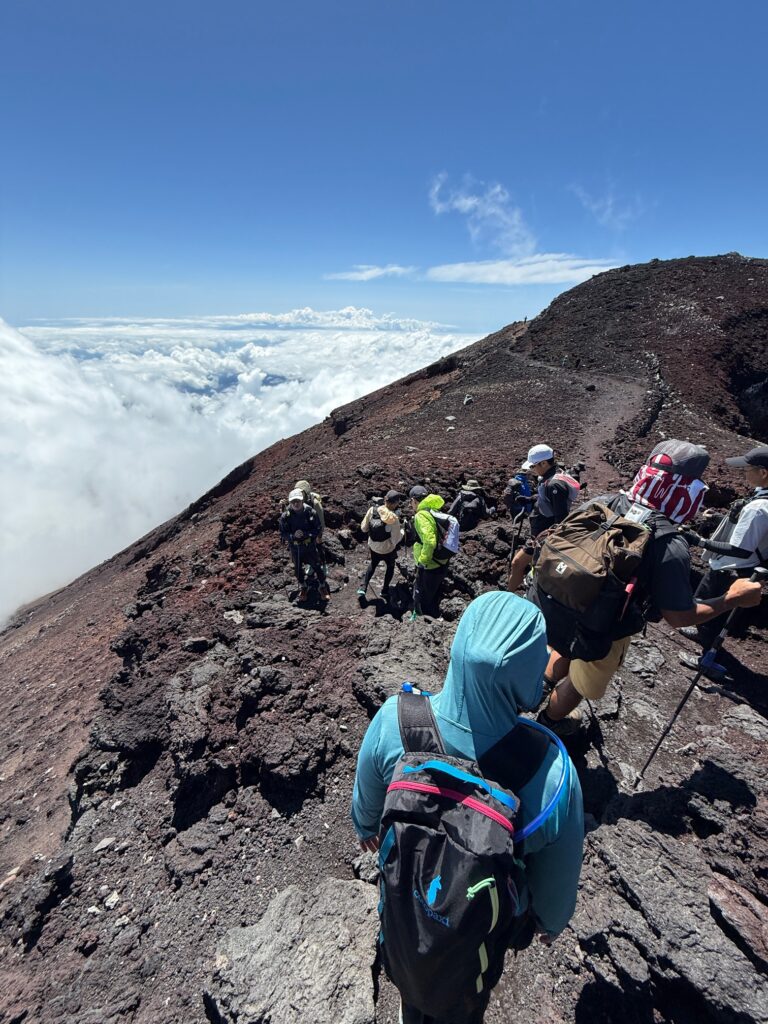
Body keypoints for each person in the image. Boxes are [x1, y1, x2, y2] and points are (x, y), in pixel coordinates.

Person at [351, 592, 584, 1024]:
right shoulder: (551, 775)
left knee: (414, 982)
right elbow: (552, 910)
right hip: (474, 939)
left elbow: (364, 818)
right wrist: (543, 924)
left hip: (404, 920)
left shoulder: (393, 720)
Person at [535, 440, 764, 736]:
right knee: (581, 683)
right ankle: (549, 723)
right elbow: (680, 617)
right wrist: (732, 598)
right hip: (603, 626)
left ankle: (540, 685)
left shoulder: (603, 502)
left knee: (564, 647)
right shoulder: (669, 544)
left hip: (559, 604)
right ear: (688, 489)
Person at [679, 445, 768, 651]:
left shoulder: (758, 508)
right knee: (705, 602)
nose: (744, 473)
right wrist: (721, 519)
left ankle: (707, 659)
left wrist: (698, 541)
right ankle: (701, 632)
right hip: (744, 566)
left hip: (732, 568)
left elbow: (740, 549)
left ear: (763, 472)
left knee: (713, 611)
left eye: (747, 469)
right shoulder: (761, 497)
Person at [507, 445, 580, 592]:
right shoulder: (549, 477)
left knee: (517, 563)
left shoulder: (554, 485)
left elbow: (561, 519)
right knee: (533, 566)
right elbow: (546, 500)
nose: (533, 469)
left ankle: (509, 594)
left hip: (542, 535)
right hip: (538, 530)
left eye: (534, 466)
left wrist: (545, 540)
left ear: (544, 463)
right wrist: (529, 499)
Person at [279, 488, 329, 601]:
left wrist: (306, 534)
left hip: (310, 546)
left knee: (317, 566)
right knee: (297, 570)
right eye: (293, 501)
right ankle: (304, 587)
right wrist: (293, 536)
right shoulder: (285, 516)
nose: (296, 503)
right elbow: (283, 533)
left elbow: (318, 528)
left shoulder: (310, 512)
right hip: (295, 548)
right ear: (290, 502)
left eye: (298, 501)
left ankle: (322, 586)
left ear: (302, 500)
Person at [409, 485, 451, 618]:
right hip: (442, 560)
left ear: (414, 501)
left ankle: (425, 619)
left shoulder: (421, 515)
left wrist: (422, 561)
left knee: (424, 595)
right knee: (434, 590)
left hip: (430, 564)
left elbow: (430, 541)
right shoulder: (433, 510)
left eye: (411, 502)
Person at [358, 490, 404, 602]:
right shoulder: (393, 518)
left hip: (373, 546)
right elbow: (396, 539)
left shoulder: (372, 510)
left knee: (373, 564)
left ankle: (363, 587)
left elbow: (363, 528)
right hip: (387, 549)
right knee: (390, 566)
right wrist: (403, 532)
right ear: (396, 503)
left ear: (385, 499)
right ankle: (384, 590)